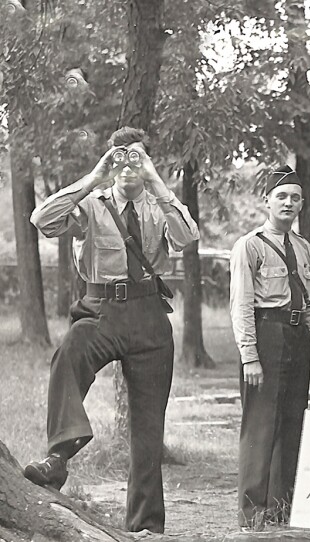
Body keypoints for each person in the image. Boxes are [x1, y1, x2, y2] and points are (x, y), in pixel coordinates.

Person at [26, 127, 200, 533]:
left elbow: (188, 238)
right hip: (101, 309)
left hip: (148, 317)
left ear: (148, 164)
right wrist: (94, 176)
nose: (128, 166)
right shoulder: (91, 205)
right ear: (110, 162)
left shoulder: (160, 207)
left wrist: (157, 180)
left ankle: (146, 525)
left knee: (148, 429)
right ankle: (59, 455)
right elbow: (41, 219)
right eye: (120, 157)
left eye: (136, 158)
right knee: (68, 356)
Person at [229, 165, 310, 530]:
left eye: (295, 198)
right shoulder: (250, 246)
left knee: (292, 422)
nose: (288, 203)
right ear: (266, 201)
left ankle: (281, 507)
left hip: (297, 337)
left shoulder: (302, 248)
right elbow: (241, 305)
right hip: (266, 336)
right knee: (260, 426)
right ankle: (251, 515)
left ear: (302, 204)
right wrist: (249, 357)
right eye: (281, 196)